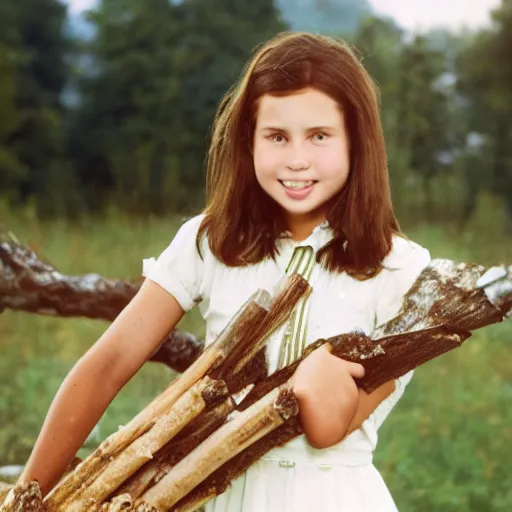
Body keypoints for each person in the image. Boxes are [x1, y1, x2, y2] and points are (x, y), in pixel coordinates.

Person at [18, 32, 431, 511]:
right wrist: (26, 495)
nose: (297, 160)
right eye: (277, 137)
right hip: (218, 496)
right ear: (248, 142)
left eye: (319, 136)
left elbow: (326, 430)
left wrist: (318, 378)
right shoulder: (210, 241)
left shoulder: (403, 270)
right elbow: (107, 366)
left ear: (357, 141)